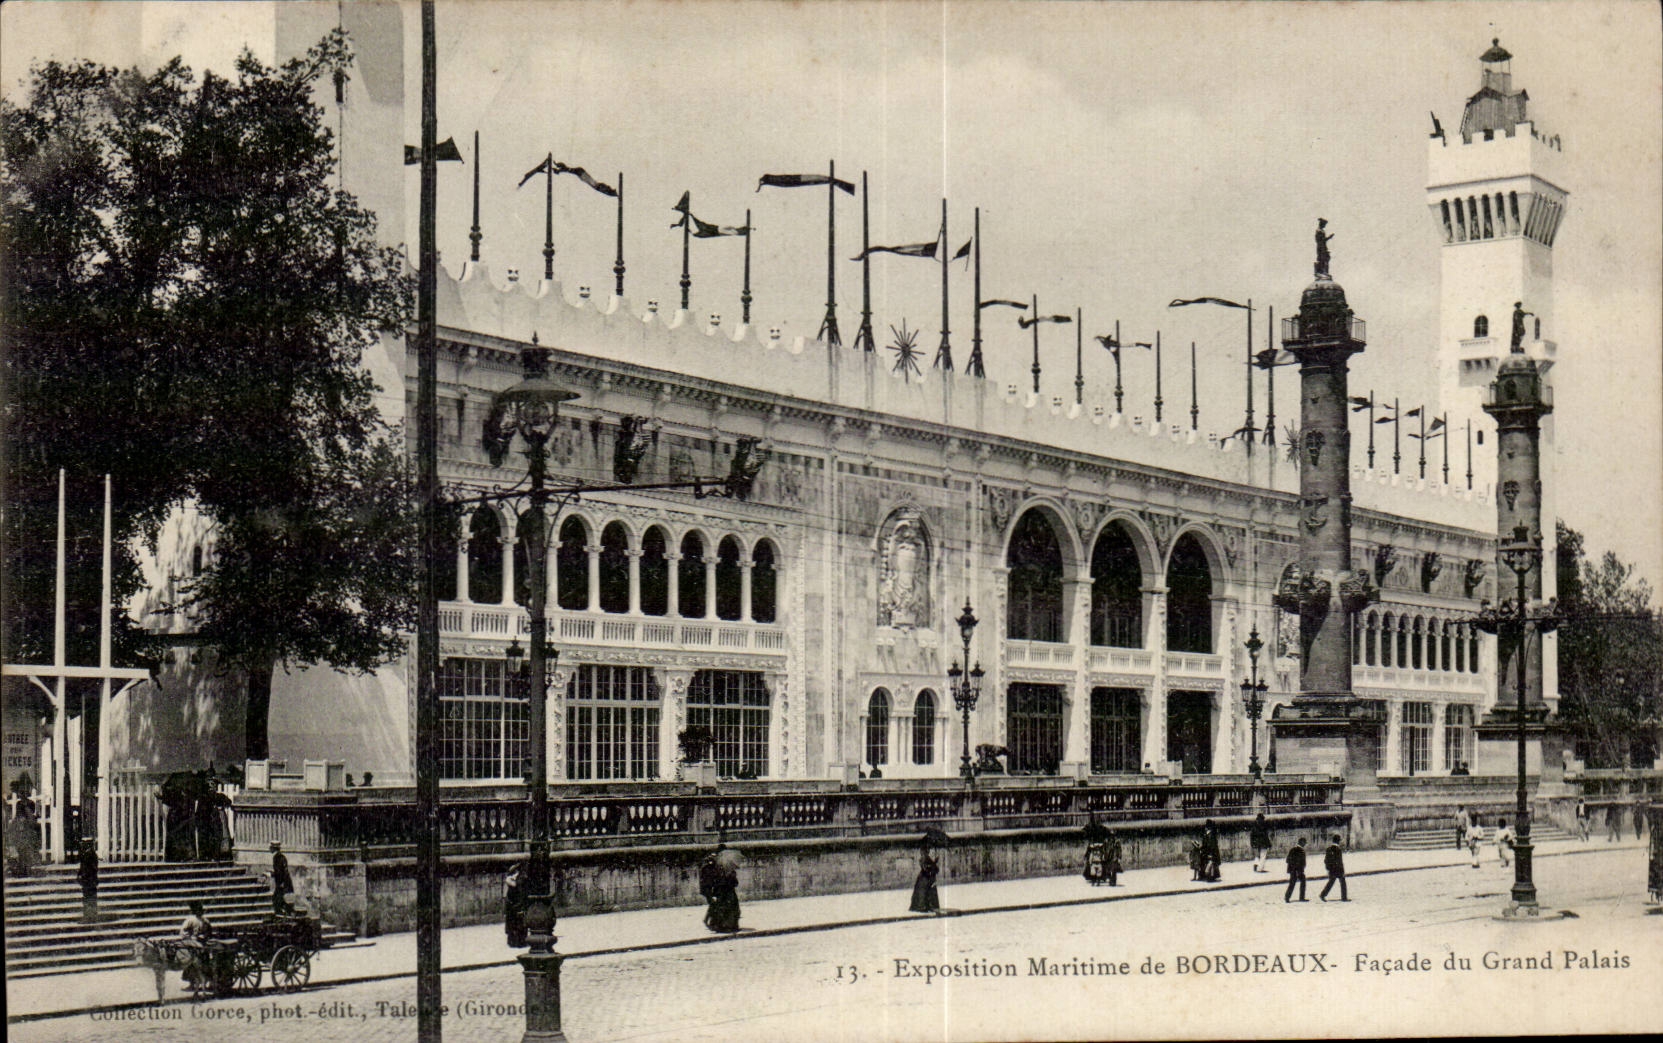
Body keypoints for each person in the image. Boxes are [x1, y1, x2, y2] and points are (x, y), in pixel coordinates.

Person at [698, 843, 741, 933]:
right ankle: (725, 925)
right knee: (726, 908)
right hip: (724, 890)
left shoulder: (718, 864)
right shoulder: (724, 867)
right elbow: (733, 882)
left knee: (718, 907)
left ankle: (719, 924)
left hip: (718, 890)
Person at [178, 899, 214, 988]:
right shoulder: (190, 920)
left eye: (200, 910)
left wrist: (204, 936)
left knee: (205, 963)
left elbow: (209, 932)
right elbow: (183, 932)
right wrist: (190, 938)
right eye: (198, 910)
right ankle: (192, 983)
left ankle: (208, 982)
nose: (200, 912)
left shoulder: (205, 921)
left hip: (202, 944)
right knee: (190, 963)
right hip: (192, 944)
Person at [909, 842, 940, 914]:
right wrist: (933, 864)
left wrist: (934, 864)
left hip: (926, 878)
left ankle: (926, 906)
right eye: (927, 850)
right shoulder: (923, 859)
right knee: (923, 893)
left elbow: (934, 869)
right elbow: (926, 868)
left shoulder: (927, 858)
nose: (928, 851)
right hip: (924, 879)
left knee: (926, 893)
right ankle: (923, 906)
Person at [503, 861, 527, 946]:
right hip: (513, 904)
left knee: (517, 924)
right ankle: (515, 941)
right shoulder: (515, 879)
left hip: (516, 904)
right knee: (515, 924)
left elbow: (518, 889)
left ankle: (518, 941)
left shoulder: (519, 879)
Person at [1319, 834, 1349, 902]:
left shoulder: (1329, 849)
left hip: (1332, 869)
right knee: (1342, 882)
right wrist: (1342, 870)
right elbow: (1340, 861)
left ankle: (1322, 894)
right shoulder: (1338, 849)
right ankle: (1344, 897)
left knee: (1331, 882)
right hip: (1338, 869)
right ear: (1338, 841)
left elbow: (1326, 860)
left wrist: (1328, 868)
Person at [77, 835, 99, 922]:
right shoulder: (86, 853)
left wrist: (83, 876)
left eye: (84, 844)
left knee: (89, 899)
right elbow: (82, 866)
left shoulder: (90, 854)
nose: (82, 845)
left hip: (89, 881)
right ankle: (89, 916)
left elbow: (92, 869)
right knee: (88, 898)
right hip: (88, 880)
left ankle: (89, 917)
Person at [269, 840, 295, 914]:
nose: (269, 849)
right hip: (285, 883)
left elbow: (279, 872)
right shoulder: (282, 857)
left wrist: (271, 874)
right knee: (279, 900)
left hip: (282, 883)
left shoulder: (277, 858)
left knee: (277, 901)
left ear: (274, 848)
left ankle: (283, 916)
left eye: (271, 847)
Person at [1284, 837, 1308, 903]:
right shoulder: (1301, 851)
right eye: (1304, 843)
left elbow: (1287, 860)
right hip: (1297, 870)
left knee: (1293, 883)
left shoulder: (1293, 849)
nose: (1305, 844)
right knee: (1297, 882)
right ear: (1301, 843)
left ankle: (1287, 897)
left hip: (1293, 870)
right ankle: (1301, 897)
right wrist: (1297, 869)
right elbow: (1300, 862)